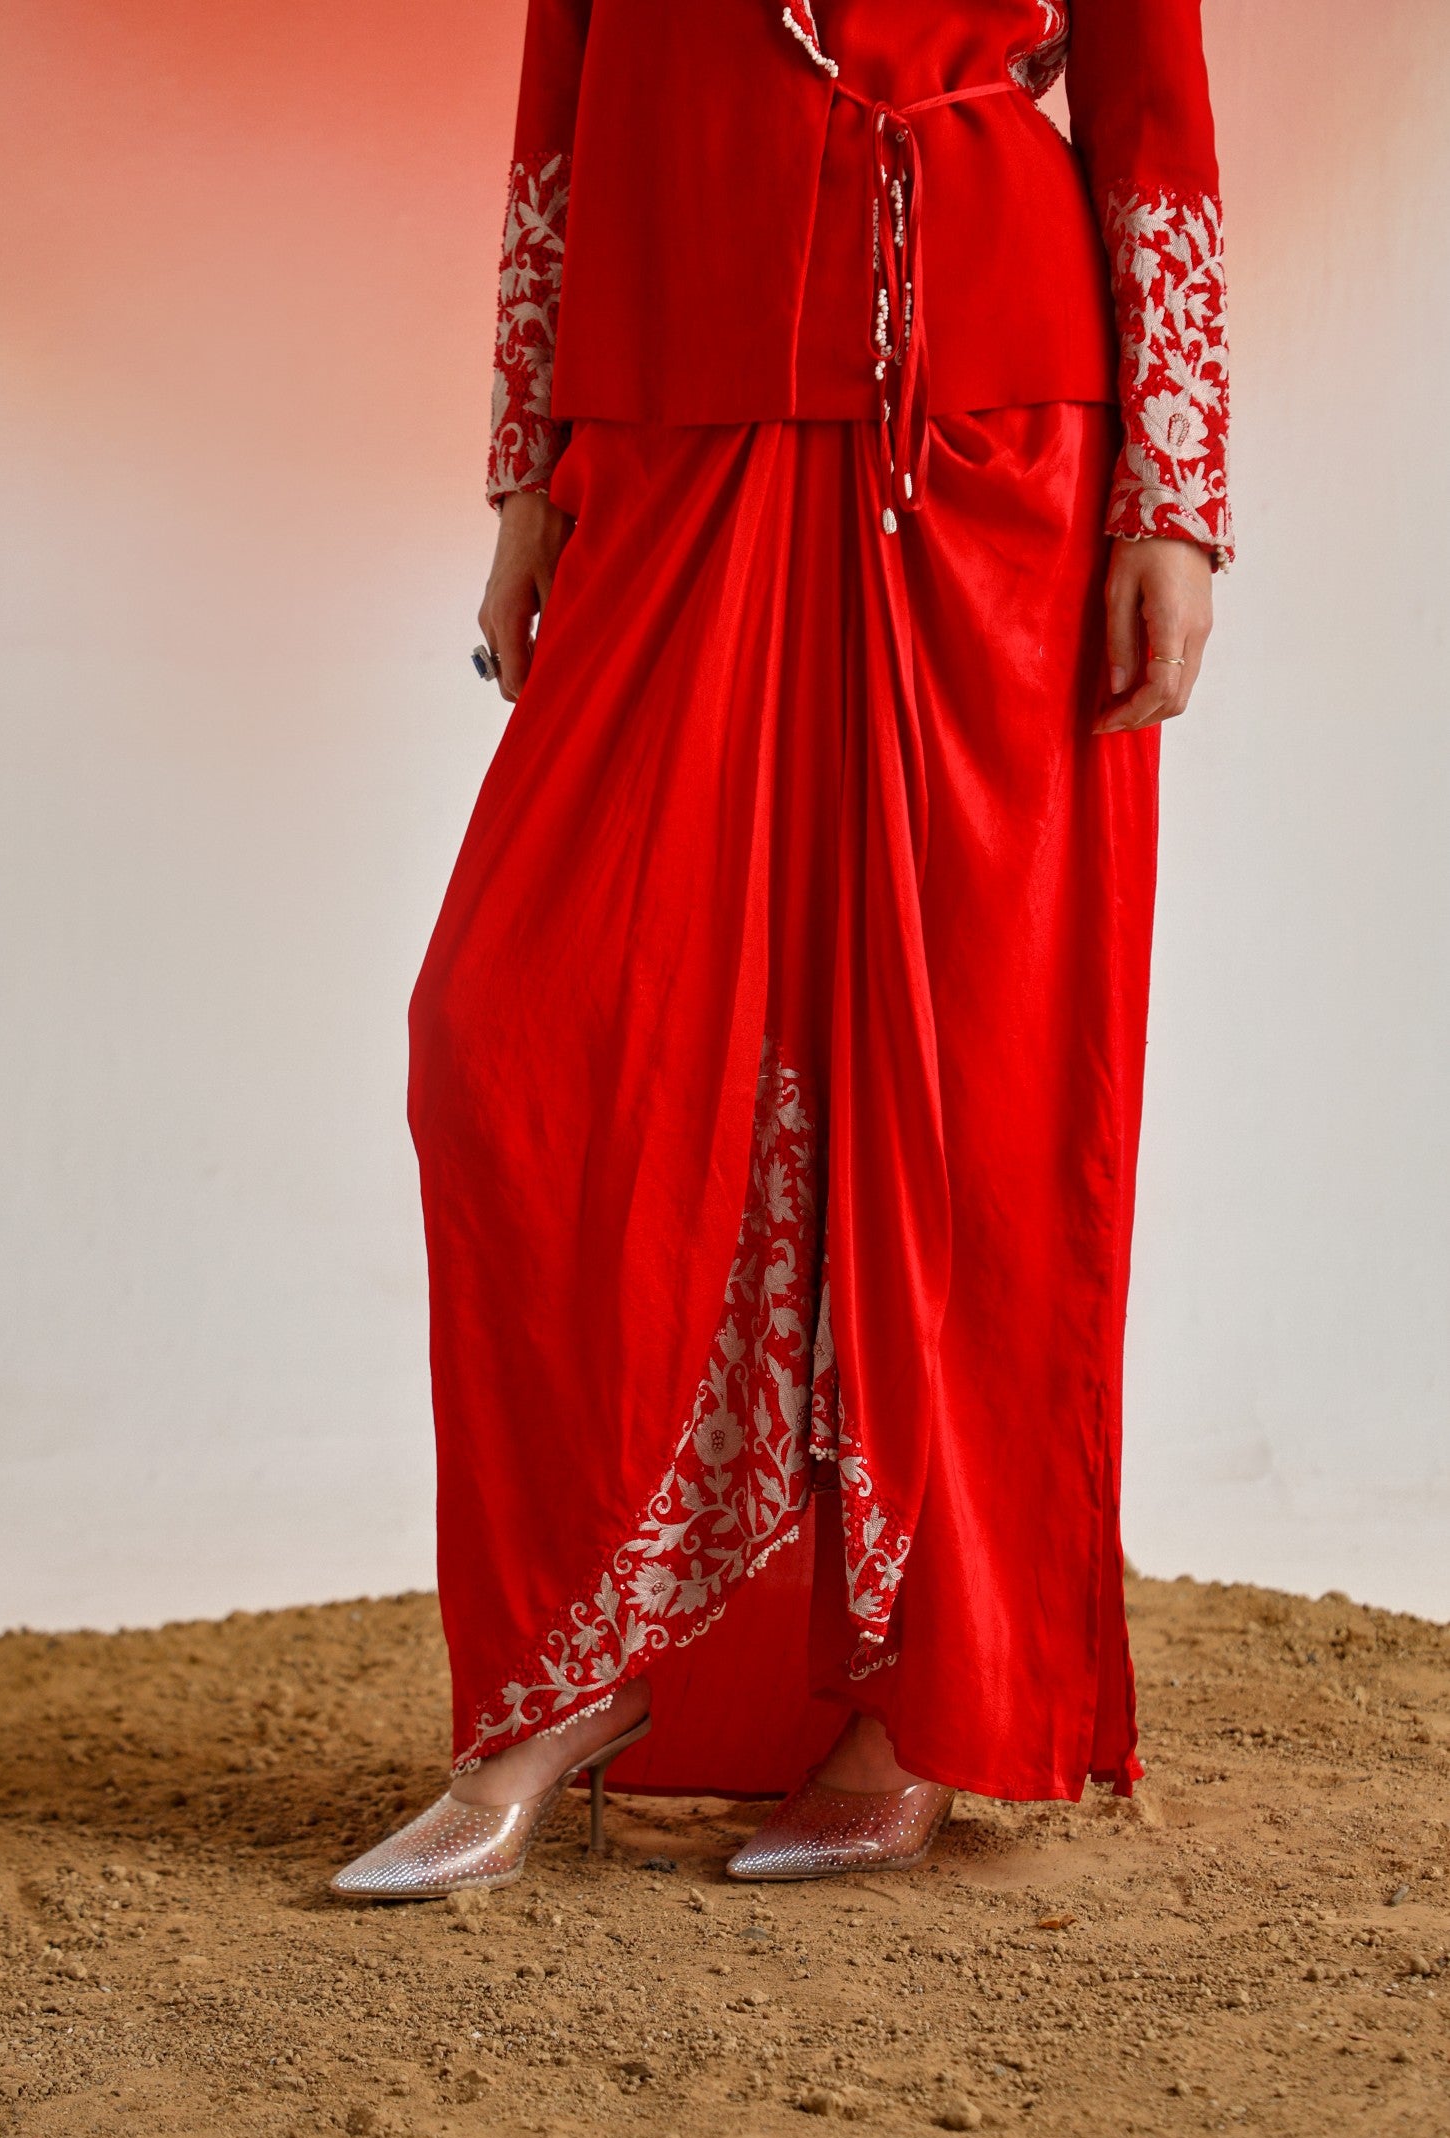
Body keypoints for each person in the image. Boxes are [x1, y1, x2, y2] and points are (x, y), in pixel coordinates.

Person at [332, 0, 1230, 1899]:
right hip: (676, 406)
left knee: (970, 1064)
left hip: (988, 426)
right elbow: (561, 105)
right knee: (501, 1031)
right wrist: (526, 473)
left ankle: (918, 1704)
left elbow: (1155, 103)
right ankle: (564, 1679)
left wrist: (1177, 494)